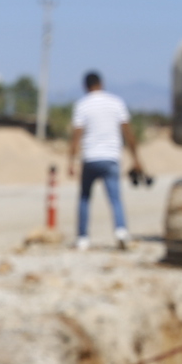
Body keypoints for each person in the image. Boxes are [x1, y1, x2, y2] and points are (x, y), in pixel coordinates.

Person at [68, 71, 139, 249]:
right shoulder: (116, 103)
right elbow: (128, 133)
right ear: (102, 83)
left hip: (90, 157)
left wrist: (70, 161)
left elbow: (76, 135)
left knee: (85, 198)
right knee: (115, 198)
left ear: (85, 86)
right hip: (111, 157)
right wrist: (136, 159)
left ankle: (83, 238)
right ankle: (121, 231)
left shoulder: (82, 105)